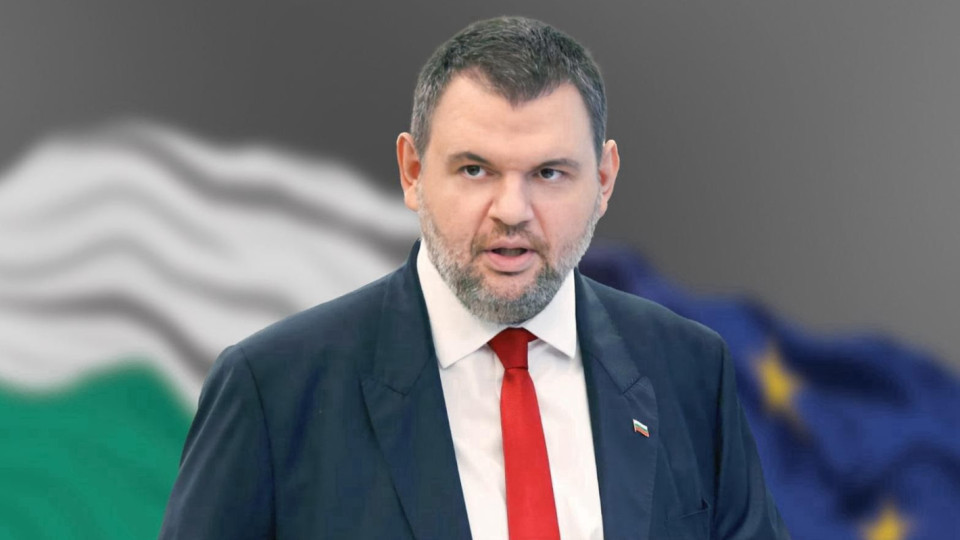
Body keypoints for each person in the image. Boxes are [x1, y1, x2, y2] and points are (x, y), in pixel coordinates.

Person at [159, 16, 789, 540]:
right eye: (474, 170)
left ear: (603, 180)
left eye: (549, 173)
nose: (512, 210)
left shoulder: (690, 370)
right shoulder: (272, 391)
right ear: (412, 172)